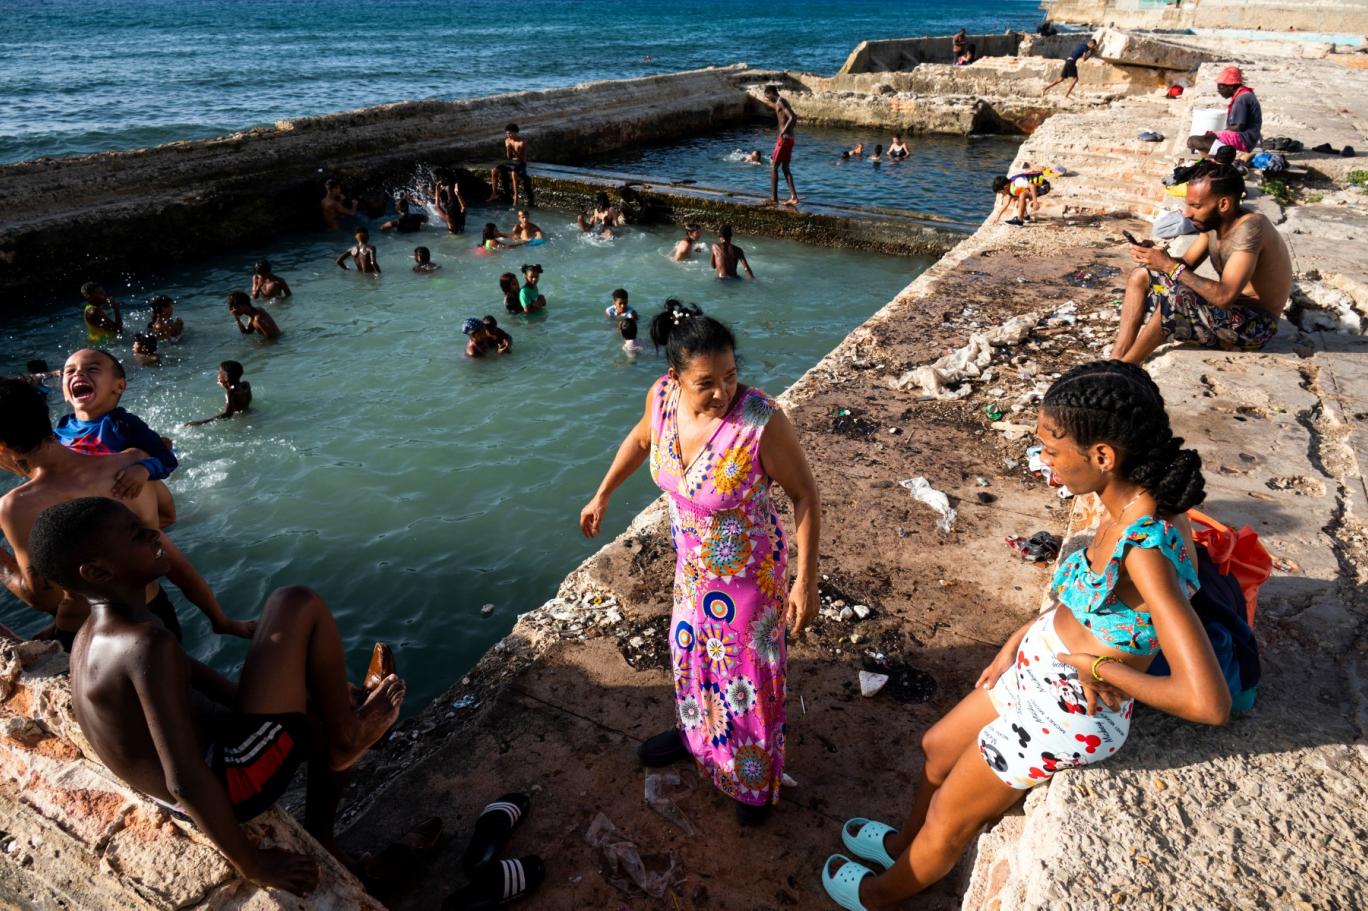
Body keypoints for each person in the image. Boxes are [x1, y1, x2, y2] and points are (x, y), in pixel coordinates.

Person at [821, 360, 1229, 911]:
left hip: (1067, 709)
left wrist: (1101, 668)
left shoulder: (1145, 549)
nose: (1044, 460)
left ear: (1103, 456)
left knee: (949, 816)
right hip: (1040, 664)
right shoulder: (1124, 501)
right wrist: (1022, 636)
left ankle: (879, 895)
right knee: (936, 749)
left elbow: (1206, 702)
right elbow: (1088, 604)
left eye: (1052, 450)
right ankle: (903, 849)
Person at [30, 496, 405, 894]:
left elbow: (204, 681)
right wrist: (253, 864)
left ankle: (338, 732)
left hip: (209, 758)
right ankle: (346, 736)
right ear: (97, 571)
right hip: (228, 783)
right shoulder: (145, 644)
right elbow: (184, 780)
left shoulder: (96, 632)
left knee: (316, 699)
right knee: (297, 602)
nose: (155, 533)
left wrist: (286, 701)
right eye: (137, 535)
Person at [580, 300, 821, 826]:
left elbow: (805, 494)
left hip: (751, 577)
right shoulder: (662, 398)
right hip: (692, 572)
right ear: (675, 378)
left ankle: (752, 779)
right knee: (691, 655)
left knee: (748, 677)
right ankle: (695, 736)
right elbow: (641, 439)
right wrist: (602, 494)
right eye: (706, 383)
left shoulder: (760, 420)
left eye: (730, 376)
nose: (722, 392)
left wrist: (807, 579)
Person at [0, 380, 253, 648]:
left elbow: (44, 598)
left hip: (91, 635)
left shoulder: (16, 506)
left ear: (2, 446)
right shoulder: (131, 462)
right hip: (156, 613)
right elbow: (167, 516)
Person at [1111, 160, 1290, 364]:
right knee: (1141, 275)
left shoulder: (1250, 230)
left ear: (1223, 204)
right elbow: (1185, 265)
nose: (1187, 214)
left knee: (1178, 296)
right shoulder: (1215, 224)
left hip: (1254, 327)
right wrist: (1157, 257)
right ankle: (1117, 356)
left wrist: (1168, 265)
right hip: (1224, 314)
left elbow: (1224, 296)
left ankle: (1127, 366)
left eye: (1196, 206)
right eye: (1188, 205)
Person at [56, 348, 178, 503]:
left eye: (92, 369)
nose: (78, 374)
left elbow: (168, 460)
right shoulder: (59, 432)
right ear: (64, 392)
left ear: (119, 386)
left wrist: (144, 469)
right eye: (70, 371)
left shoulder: (123, 425)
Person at [763, 85, 800, 207]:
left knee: (774, 166)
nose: (767, 98)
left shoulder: (780, 101)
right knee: (785, 168)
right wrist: (789, 132)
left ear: (771, 93)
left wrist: (783, 131)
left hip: (784, 140)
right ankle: (794, 197)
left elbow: (792, 117)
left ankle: (774, 199)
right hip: (789, 138)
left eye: (767, 96)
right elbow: (793, 117)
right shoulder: (782, 101)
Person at [185, 361, 252, 427]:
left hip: (240, 420)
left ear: (226, 378)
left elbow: (228, 414)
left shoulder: (230, 393)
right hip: (250, 412)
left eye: (219, 373)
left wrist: (202, 422)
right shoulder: (245, 384)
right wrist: (226, 386)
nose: (218, 376)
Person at [1214, 66, 1262, 155]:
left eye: (1221, 87)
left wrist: (1221, 132)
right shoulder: (1245, 94)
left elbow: (1239, 127)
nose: (1219, 91)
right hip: (1250, 138)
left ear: (1231, 86)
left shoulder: (1241, 99)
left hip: (1244, 141)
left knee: (1198, 140)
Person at [487, 123, 529, 207]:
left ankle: (516, 197)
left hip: (521, 163)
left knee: (514, 173)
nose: (508, 135)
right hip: (511, 162)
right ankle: (494, 193)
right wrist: (508, 149)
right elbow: (509, 157)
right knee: (494, 170)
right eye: (507, 133)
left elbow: (523, 160)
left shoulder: (522, 143)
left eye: (509, 133)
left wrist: (513, 150)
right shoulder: (507, 140)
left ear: (515, 132)